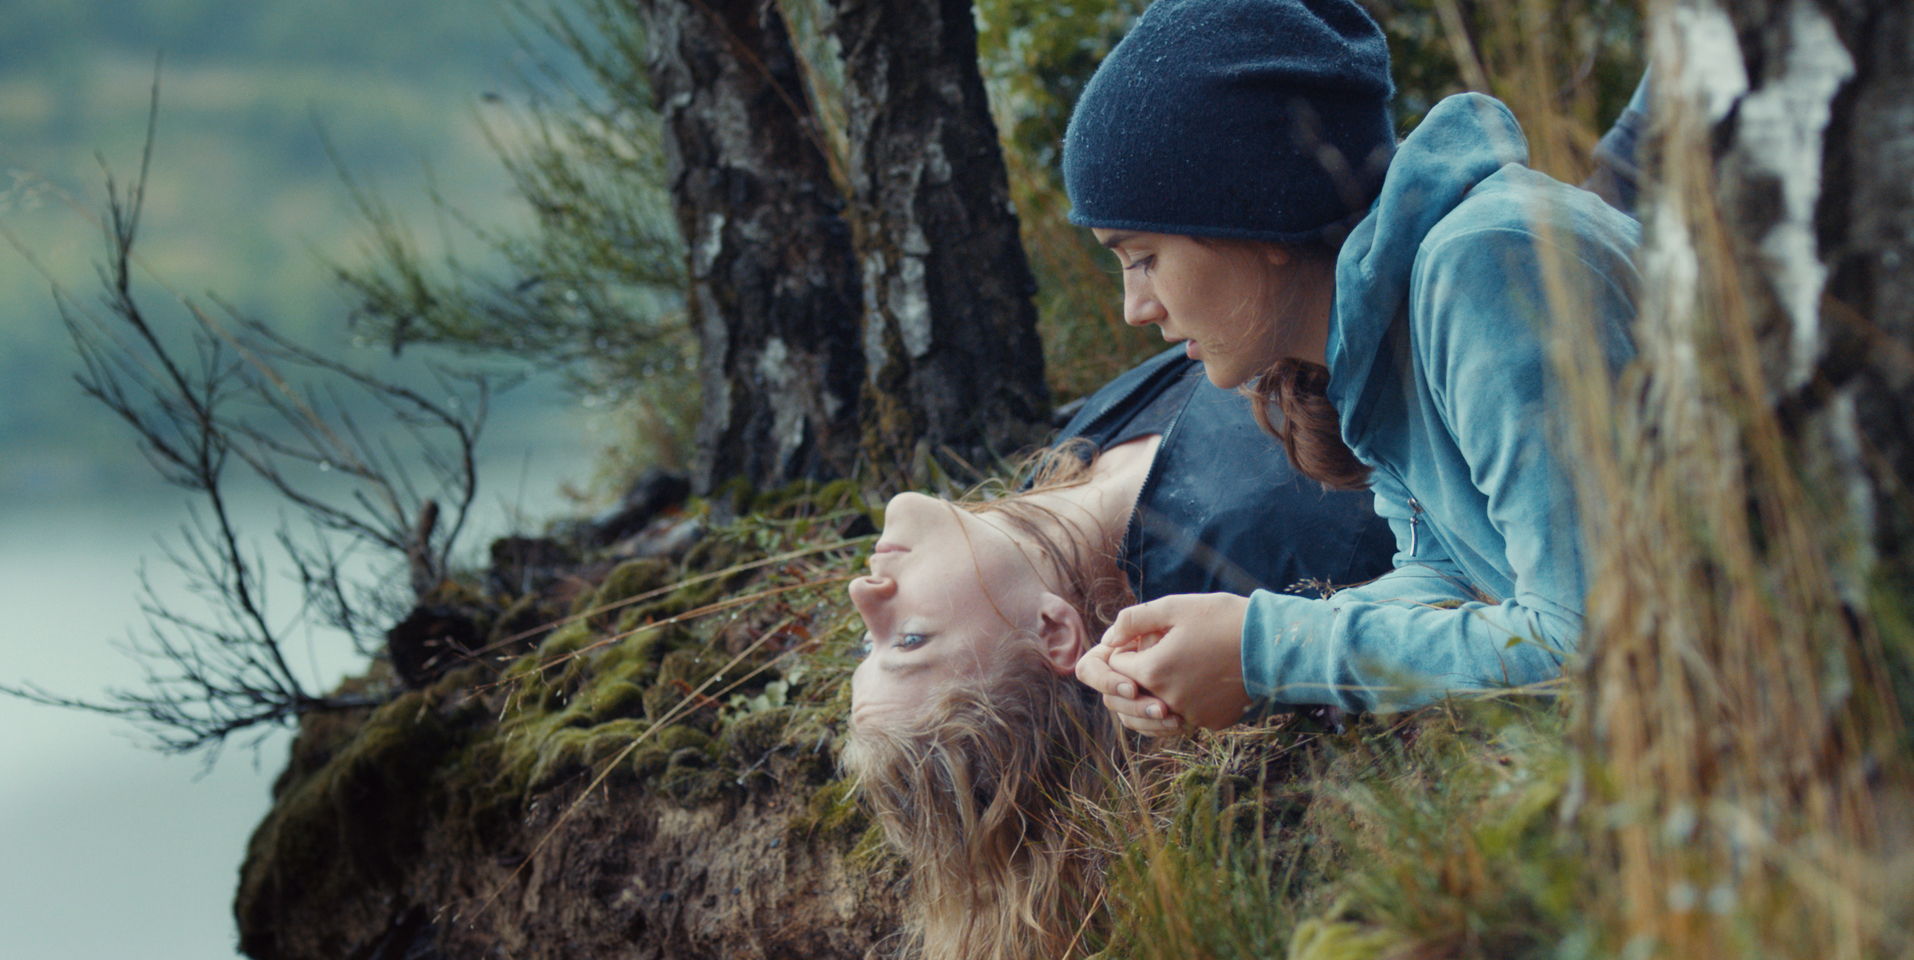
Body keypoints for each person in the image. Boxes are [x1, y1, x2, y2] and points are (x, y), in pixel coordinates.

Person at [1059, 0, 1642, 735]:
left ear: (1253, 213)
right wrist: (1248, 638)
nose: (1134, 308)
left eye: (1144, 257)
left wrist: (1267, 652)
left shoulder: (1484, 270)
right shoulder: (1375, 334)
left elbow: (1597, 641)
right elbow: (1455, 576)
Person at [842, 346, 1397, 960]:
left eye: (866, 644)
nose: (862, 593)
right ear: (1053, 633)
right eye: (909, 640)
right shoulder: (1255, 547)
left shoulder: (1056, 490)